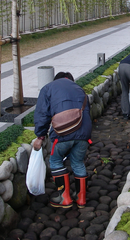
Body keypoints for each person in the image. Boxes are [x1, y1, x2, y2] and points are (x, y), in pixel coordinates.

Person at [33, 71, 91, 209]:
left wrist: (40, 136)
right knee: (78, 162)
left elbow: (42, 114)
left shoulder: (48, 88)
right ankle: (81, 198)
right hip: (84, 133)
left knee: (55, 160)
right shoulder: (80, 89)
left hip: (62, 133)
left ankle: (64, 197)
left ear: (55, 80)